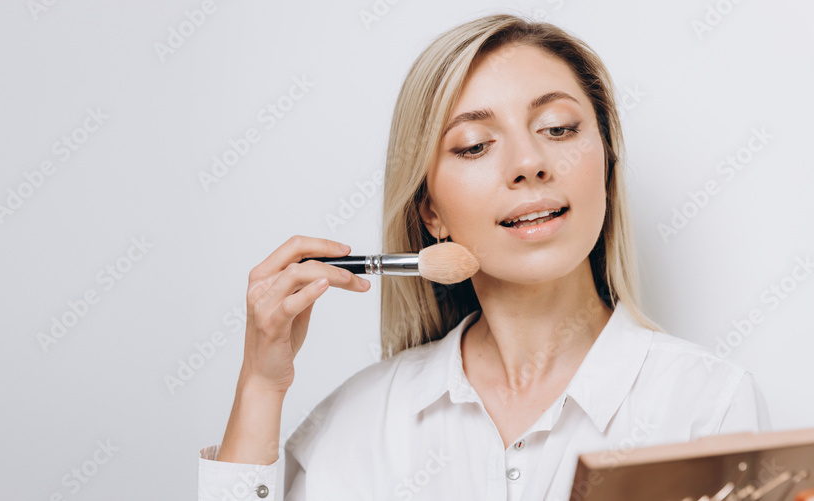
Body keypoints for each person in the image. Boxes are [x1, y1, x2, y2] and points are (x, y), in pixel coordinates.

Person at [197, 13, 771, 501]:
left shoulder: (707, 407)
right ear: (431, 214)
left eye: (559, 128)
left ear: (607, 167)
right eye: (474, 145)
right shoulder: (360, 424)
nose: (528, 161)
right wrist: (259, 388)